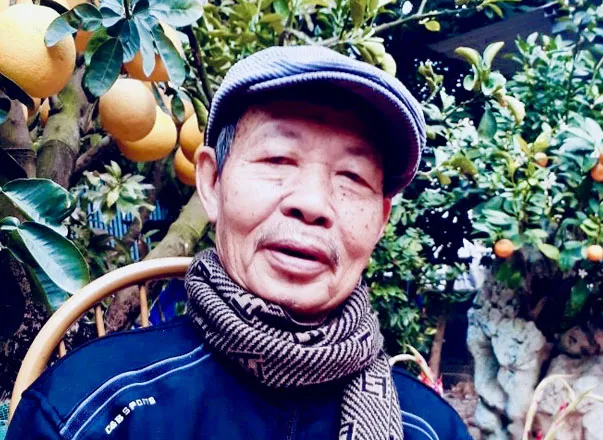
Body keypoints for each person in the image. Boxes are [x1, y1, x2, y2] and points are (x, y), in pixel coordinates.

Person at [7, 45, 471, 440]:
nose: (312, 203)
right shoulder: (87, 409)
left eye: (352, 176)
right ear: (211, 183)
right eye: (277, 159)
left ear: (381, 220)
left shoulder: (430, 428)